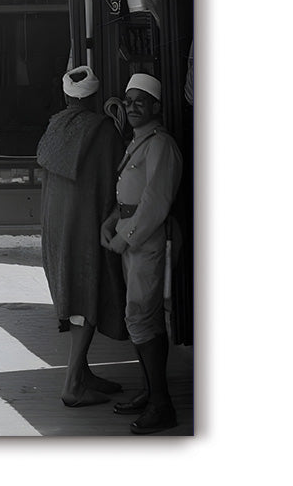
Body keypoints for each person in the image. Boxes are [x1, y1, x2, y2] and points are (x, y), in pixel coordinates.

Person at [34, 66, 128, 407]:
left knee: (74, 297)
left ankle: (83, 373)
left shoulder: (55, 125)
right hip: (89, 227)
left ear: (67, 95)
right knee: (86, 298)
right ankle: (73, 383)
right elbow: (120, 177)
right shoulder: (103, 130)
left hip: (56, 228)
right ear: (94, 96)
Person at [101, 73, 183, 435]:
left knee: (143, 317)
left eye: (141, 101)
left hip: (146, 241)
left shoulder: (160, 145)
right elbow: (131, 194)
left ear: (156, 107)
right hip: (132, 235)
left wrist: (125, 237)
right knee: (139, 317)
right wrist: (113, 219)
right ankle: (151, 393)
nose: (133, 107)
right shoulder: (139, 141)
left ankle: (161, 405)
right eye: (129, 100)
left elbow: (155, 202)